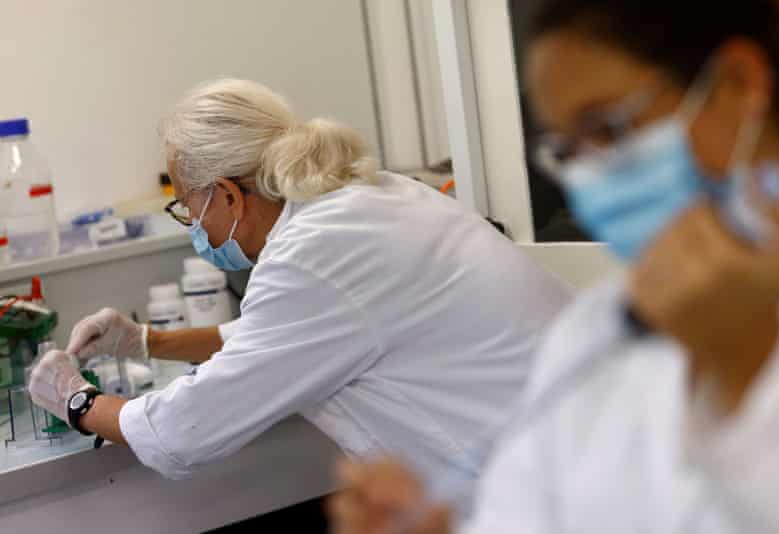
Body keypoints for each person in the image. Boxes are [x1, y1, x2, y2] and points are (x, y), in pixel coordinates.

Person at [328, 1, 779, 532]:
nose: (591, 181)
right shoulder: (595, 331)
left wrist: (749, 368)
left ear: (737, 86)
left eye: (606, 131)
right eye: (570, 151)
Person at [27, 78, 571, 481]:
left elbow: (181, 430)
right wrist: (148, 340)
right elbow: (293, 333)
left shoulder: (310, 256)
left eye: (189, 209)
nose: (193, 227)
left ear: (230, 195)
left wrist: (76, 400)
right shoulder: (373, 195)